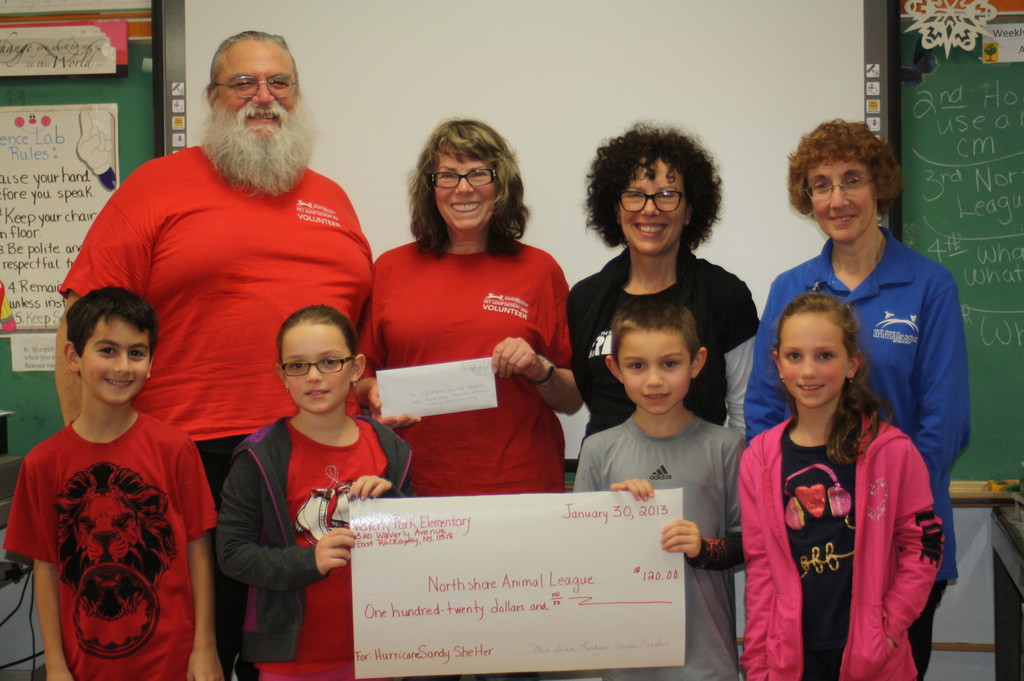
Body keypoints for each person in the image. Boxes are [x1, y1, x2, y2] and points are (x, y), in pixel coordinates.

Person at [56, 30, 374, 681]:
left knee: (295, 656)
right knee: (182, 652)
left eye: (278, 82)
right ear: (212, 98)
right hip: (184, 460)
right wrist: (85, 457)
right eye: (244, 83)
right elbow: (78, 326)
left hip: (314, 465)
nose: (264, 97)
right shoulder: (156, 186)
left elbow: (362, 339)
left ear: (297, 95)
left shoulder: (334, 198)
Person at [743, 120, 969, 679]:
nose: (837, 199)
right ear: (807, 197)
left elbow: (945, 419)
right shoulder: (790, 289)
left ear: (880, 187)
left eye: (852, 180)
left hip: (898, 549)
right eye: (821, 184)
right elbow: (765, 413)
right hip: (806, 549)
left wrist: (887, 511)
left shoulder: (928, 284)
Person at [357, 118, 581, 502]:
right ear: (430, 188)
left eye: (479, 173)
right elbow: (361, 379)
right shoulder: (390, 269)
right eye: (448, 175)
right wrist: (374, 393)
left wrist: (537, 369)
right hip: (412, 485)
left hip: (519, 485)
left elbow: (573, 398)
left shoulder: (539, 270)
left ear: (502, 185)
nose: (463, 188)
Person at [4, 287, 221, 681]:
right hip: (85, 665)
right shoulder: (42, 463)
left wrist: (205, 648)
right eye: (107, 350)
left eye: (136, 353)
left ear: (151, 363)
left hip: (172, 660)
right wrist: (55, 665)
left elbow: (198, 552)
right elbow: (46, 568)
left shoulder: (175, 448)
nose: (123, 366)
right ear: (73, 357)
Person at [740, 292, 943, 681]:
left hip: (874, 659)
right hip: (791, 661)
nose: (809, 371)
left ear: (852, 364)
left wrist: (887, 629)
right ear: (777, 364)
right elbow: (761, 567)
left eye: (825, 356)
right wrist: (757, 662)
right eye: (795, 356)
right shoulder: (760, 459)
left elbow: (924, 545)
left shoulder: (892, 452)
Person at [216, 305, 411, 681]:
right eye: (297, 365)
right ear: (282, 376)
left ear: (356, 368)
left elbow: (418, 541)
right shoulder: (259, 456)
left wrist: (394, 504)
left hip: (379, 649)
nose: (314, 377)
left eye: (329, 362)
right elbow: (232, 554)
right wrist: (311, 562)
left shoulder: (388, 445)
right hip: (292, 659)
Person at [574, 296, 743, 681]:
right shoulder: (599, 449)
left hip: (708, 662)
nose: (654, 380)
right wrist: (613, 516)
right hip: (627, 661)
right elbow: (581, 556)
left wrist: (704, 548)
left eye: (670, 364)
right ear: (615, 369)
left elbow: (749, 542)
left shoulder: (726, 446)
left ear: (697, 362)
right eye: (637, 366)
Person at [568, 123, 759, 440]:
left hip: (697, 479)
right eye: (634, 195)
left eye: (667, 195)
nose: (650, 209)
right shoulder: (585, 298)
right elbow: (589, 394)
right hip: (607, 481)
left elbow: (745, 413)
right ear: (615, 209)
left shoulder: (724, 295)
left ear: (689, 211)